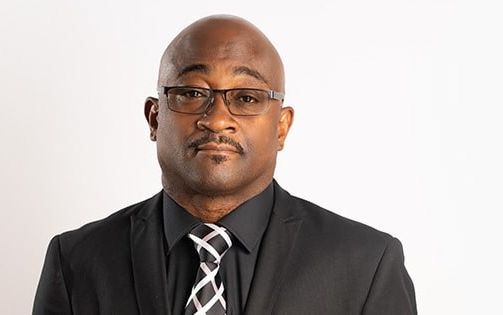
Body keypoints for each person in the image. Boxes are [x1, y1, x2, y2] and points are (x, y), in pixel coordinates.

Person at [33, 14, 417, 315]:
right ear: (154, 118)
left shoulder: (366, 266)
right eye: (191, 93)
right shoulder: (77, 262)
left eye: (247, 98)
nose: (217, 119)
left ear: (281, 126)